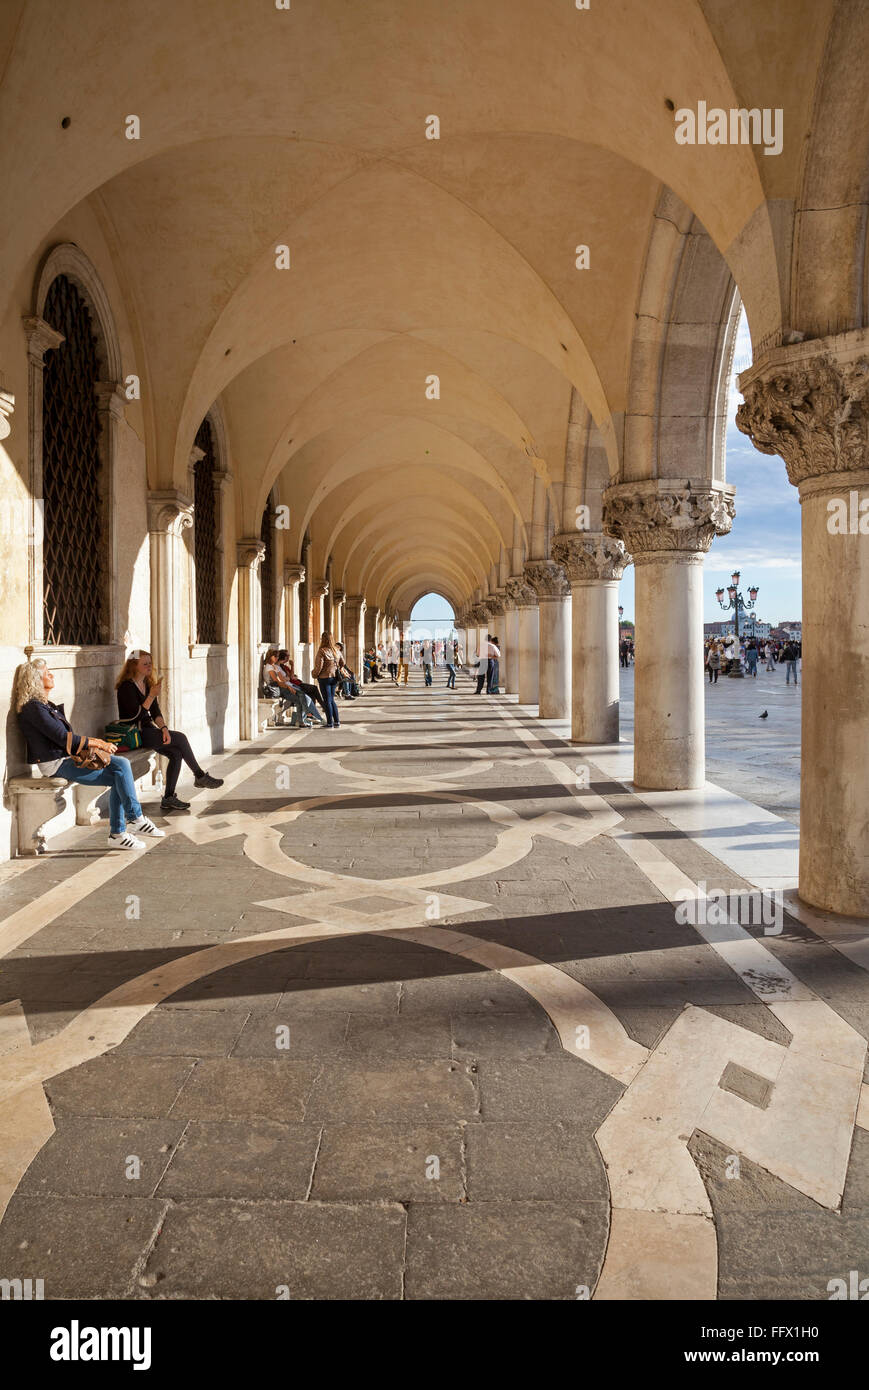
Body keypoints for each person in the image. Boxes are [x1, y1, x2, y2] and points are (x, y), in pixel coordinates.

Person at [15, 658, 165, 850]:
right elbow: (63, 737)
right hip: (55, 764)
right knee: (121, 770)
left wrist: (95, 745)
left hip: (67, 758)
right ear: (35, 680)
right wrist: (99, 743)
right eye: (47, 673)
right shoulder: (33, 708)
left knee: (121, 770)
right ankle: (130, 823)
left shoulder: (44, 705)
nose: (52, 675)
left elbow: (66, 738)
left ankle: (122, 830)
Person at [116, 650, 223, 812]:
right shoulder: (126, 687)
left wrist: (164, 729)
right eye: (145, 664)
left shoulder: (148, 685)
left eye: (150, 663)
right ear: (134, 666)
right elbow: (134, 716)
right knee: (180, 738)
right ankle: (200, 776)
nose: (149, 666)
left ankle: (169, 797)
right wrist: (151, 696)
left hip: (148, 730)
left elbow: (156, 713)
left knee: (176, 753)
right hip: (134, 733)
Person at [312, 630, 345, 727]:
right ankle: (337, 721)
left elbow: (319, 667)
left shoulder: (322, 651)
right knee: (331, 700)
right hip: (334, 677)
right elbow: (342, 662)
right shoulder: (336, 650)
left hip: (324, 678)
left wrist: (314, 674)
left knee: (327, 701)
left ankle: (330, 722)